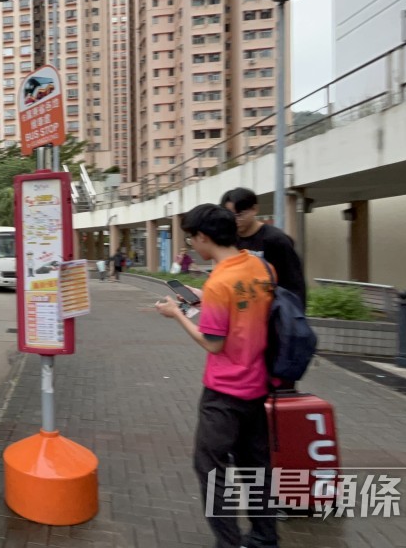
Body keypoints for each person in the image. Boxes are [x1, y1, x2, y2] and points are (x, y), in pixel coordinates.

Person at [154, 203, 278, 548]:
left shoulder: (220, 282)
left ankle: (229, 542)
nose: (192, 245)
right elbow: (247, 310)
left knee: (210, 469)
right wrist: (201, 298)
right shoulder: (260, 266)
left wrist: (177, 315)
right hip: (258, 387)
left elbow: (213, 344)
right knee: (255, 469)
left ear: (204, 237)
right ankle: (265, 539)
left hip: (224, 392)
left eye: (192, 238)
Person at [220, 187, 306, 307]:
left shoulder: (276, 240)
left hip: (272, 312)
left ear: (255, 209)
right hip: (242, 312)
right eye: (230, 216)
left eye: (239, 214)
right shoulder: (229, 239)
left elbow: (294, 284)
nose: (235, 220)